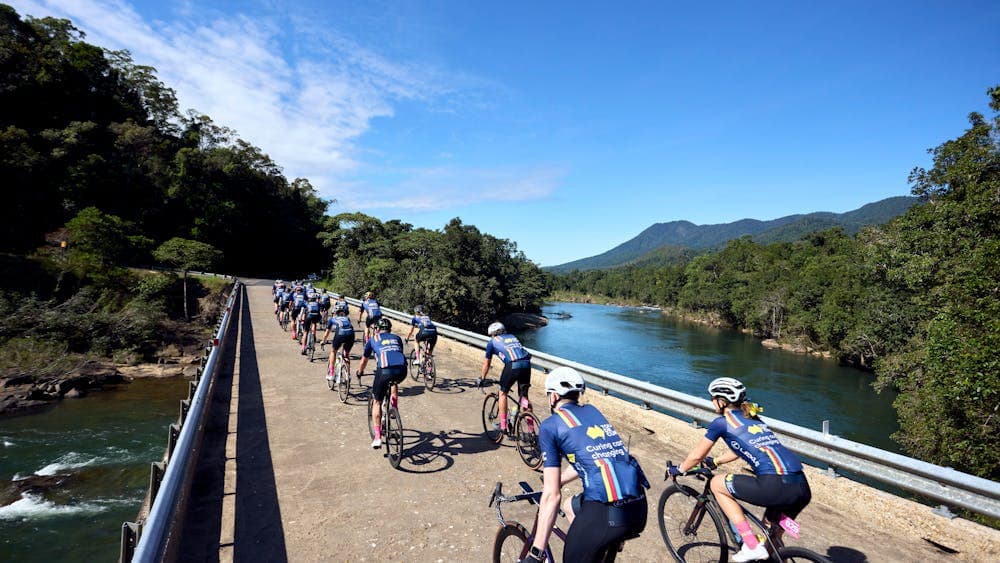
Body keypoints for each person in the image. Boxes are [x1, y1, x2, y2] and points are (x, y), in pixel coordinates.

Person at [669, 377, 811, 562]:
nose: (711, 401)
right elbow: (740, 449)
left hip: (774, 485)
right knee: (771, 536)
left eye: (713, 398)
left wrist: (679, 469)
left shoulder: (721, 422)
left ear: (722, 401)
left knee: (716, 483)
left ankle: (750, 545)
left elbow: (696, 456)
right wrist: (717, 461)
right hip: (801, 486)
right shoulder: (752, 418)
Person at [525, 367, 648, 563]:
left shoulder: (551, 426)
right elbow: (595, 454)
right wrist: (562, 479)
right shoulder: (592, 412)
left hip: (607, 513)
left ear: (553, 396)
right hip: (639, 507)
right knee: (570, 506)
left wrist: (536, 553)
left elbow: (551, 495)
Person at [356, 318, 407, 448]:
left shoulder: (373, 339)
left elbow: (364, 360)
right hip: (402, 371)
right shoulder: (397, 338)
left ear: (377, 329)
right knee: (393, 382)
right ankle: (394, 408)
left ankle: (377, 437)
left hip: (384, 371)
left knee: (377, 401)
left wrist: (360, 372)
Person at [481, 322, 532, 432]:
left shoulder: (492, 342)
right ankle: (531, 430)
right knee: (524, 397)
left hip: (512, 365)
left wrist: (482, 378)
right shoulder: (512, 336)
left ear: (493, 334)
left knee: (502, 393)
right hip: (526, 363)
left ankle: (503, 427)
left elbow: (487, 364)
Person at [321, 300, 355, 383]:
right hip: (351, 335)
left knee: (333, 351)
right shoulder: (347, 319)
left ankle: (332, 373)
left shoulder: (332, 319)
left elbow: (327, 333)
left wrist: (323, 341)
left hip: (340, 335)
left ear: (335, 313)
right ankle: (348, 375)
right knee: (346, 355)